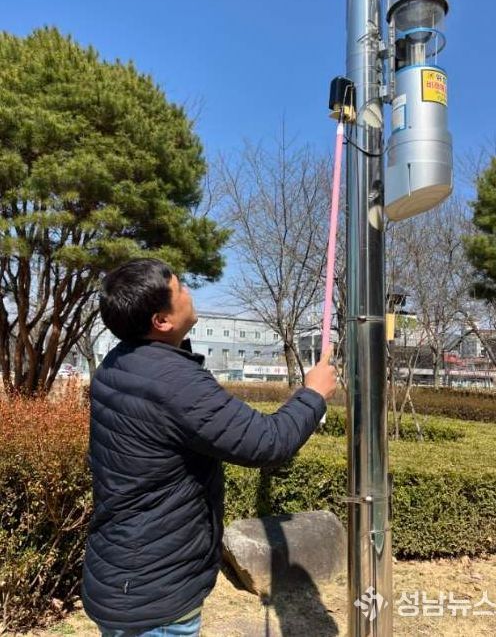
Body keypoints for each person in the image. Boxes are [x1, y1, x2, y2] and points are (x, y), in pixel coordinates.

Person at [82, 258, 337, 637]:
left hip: (121, 577)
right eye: (180, 288)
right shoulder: (175, 382)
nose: (189, 293)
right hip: (156, 598)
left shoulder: (118, 364)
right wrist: (314, 394)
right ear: (161, 321)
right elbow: (268, 442)